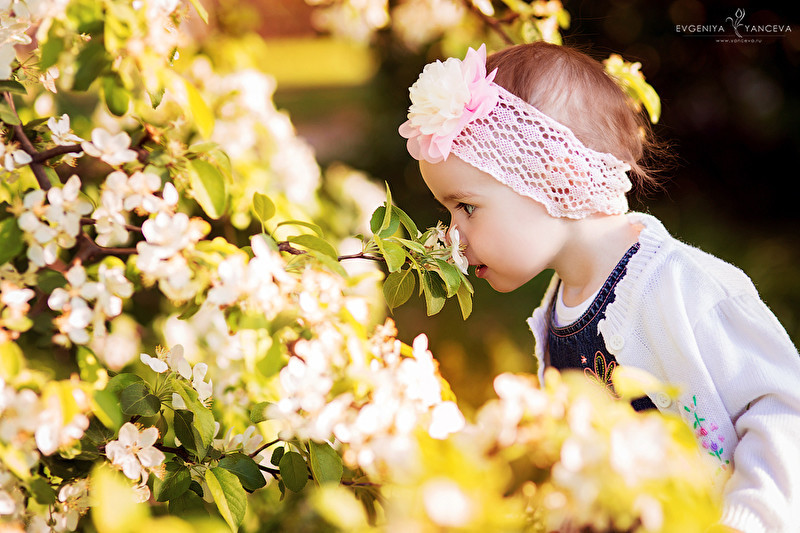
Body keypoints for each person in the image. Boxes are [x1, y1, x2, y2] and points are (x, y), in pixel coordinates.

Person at [398, 42, 800, 532]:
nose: (451, 235)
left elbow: (783, 405)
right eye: (447, 212)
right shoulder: (556, 314)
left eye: (467, 207)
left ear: (556, 179)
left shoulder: (684, 289)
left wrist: (747, 521)